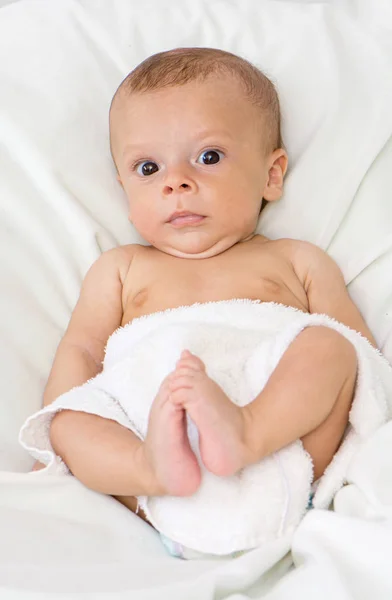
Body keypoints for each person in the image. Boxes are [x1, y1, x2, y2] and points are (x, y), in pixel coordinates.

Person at [34, 47, 376, 523]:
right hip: (151, 442)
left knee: (333, 347)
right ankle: (149, 468)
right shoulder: (120, 268)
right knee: (69, 420)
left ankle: (246, 432)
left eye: (208, 157)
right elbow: (82, 353)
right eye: (148, 169)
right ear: (124, 192)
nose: (177, 183)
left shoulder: (297, 260)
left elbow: (365, 361)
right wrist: (59, 443)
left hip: (283, 452)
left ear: (272, 175)